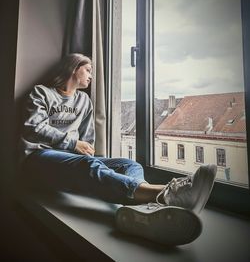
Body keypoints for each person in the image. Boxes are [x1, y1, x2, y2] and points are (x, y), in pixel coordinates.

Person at [19, 53, 217, 246]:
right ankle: (168, 195)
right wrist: (72, 144)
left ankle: (140, 212)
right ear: (73, 68)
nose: (91, 75)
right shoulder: (42, 92)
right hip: (38, 159)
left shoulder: (84, 101)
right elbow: (33, 128)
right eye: (88, 70)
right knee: (87, 163)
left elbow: (87, 141)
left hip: (72, 159)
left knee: (129, 164)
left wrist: (88, 155)